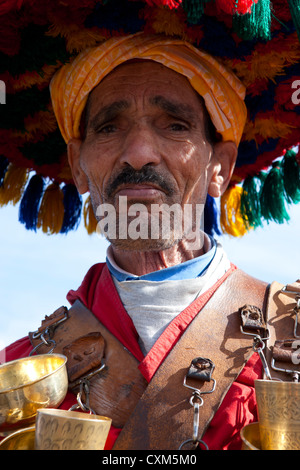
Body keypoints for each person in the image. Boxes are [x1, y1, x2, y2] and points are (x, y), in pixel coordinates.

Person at [1, 1, 299, 451]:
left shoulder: (292, 341)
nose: (138, 152)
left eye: (175, 125)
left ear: (220, 165)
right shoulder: (16, 378)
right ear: (78, 167)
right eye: (108, 127)